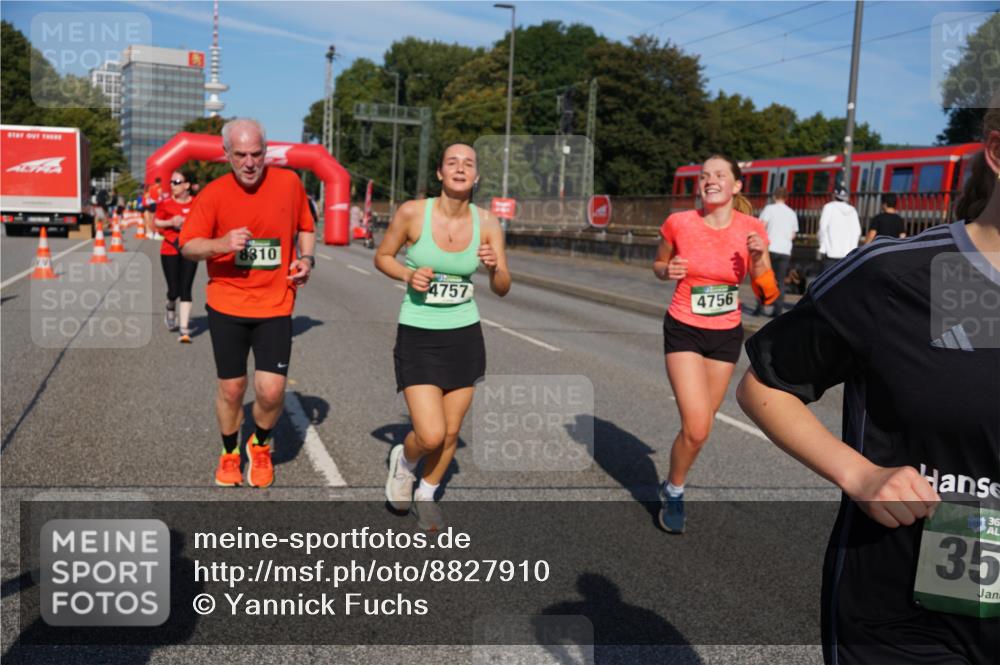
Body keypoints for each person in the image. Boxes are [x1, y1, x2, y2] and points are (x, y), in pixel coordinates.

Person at [735, 101, 1000, 665]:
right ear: (997, 152)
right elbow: (764, 385)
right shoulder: (904, 279)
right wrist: (860, 474)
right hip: (912, 617)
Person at [375, 143, 511, 531]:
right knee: (430, 433)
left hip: (464, 335)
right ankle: (405, 461)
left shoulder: (486, 222)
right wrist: (406, 274)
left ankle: (427, 493)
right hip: (419, 333)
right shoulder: (413, 213)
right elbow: (382, 256)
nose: (460, 168)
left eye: (468, 163)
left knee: (451, 431)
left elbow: (503, 286)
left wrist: (494, 266)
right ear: (439, 172)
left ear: (477, 176)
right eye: (452, 162)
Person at [180, 118, 315, 488]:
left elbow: (306, 226)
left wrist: (307, 260)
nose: (250, 163)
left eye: (257, 154)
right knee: (233, 388)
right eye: (240, 155)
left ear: (266, 152)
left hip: (275, 304)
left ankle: (259, 444)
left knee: (271, 390)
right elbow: (188, 245)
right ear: (226, 155)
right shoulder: (214, 194)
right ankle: (229, 452)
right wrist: (222, 244)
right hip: (227, 304)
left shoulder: (289, 184)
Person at [652, 154, 779, 533]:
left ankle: (671, 482)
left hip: (726, 333)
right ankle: (675, 491)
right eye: (705, 175)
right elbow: (659, 264)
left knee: (704, 428)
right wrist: (666, 270)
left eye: (720, 175)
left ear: (736, 185)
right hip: (683, 328)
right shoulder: (679, 223)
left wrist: (757, 259)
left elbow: (768, 294)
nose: (710, 180)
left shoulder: (752, 227)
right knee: (695, 425)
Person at [154, 169, 199, 343]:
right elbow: (156, 222)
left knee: (186, 288)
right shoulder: (165, 204)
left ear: (187, 185)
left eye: (177, 182)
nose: (172, 185)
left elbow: (204, 220)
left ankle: (184, 329)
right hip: (170, 248)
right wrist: (171, 222)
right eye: (171, 182)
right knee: (174, 290)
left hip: (190, 248)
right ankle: (170, 305)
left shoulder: (197, 203)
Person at [756, 186, 799, 317]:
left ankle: (760, 308)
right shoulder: (792, 213)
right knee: (780, 281)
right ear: (786, 198)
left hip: (769, 249)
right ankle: (778, 310)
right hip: (785, 250)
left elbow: (761, 226)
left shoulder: (769, 209)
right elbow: (793, 235)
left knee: (764, 278)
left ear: (774, 196)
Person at [817, 186, 861, 270]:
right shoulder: (853, 210)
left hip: (830, 254)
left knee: (827, 281)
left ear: (834, 195)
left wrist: (822, 247)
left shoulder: (829, 207)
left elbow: (822, 228)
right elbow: (857, 231)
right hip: (847, 256)